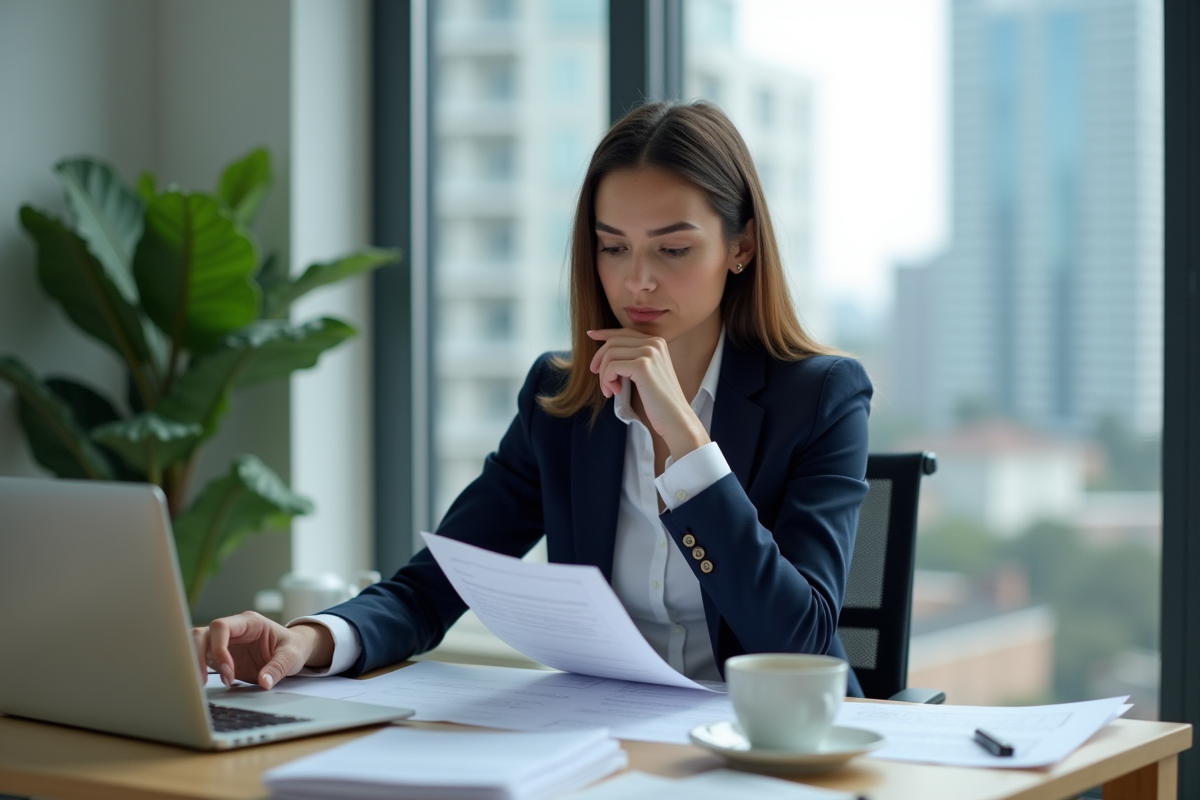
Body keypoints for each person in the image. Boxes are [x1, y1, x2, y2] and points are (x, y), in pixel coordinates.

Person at [193, 100, 873, 697]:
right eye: (612, 247)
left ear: (742, 245)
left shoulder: (821, 397)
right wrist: (309, 639)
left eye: (671, 249)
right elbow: (433, 585)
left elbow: (801, 643)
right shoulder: (562, 400)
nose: (636, 280)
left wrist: (689, 444)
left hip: (770, 749)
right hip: (609, 740)